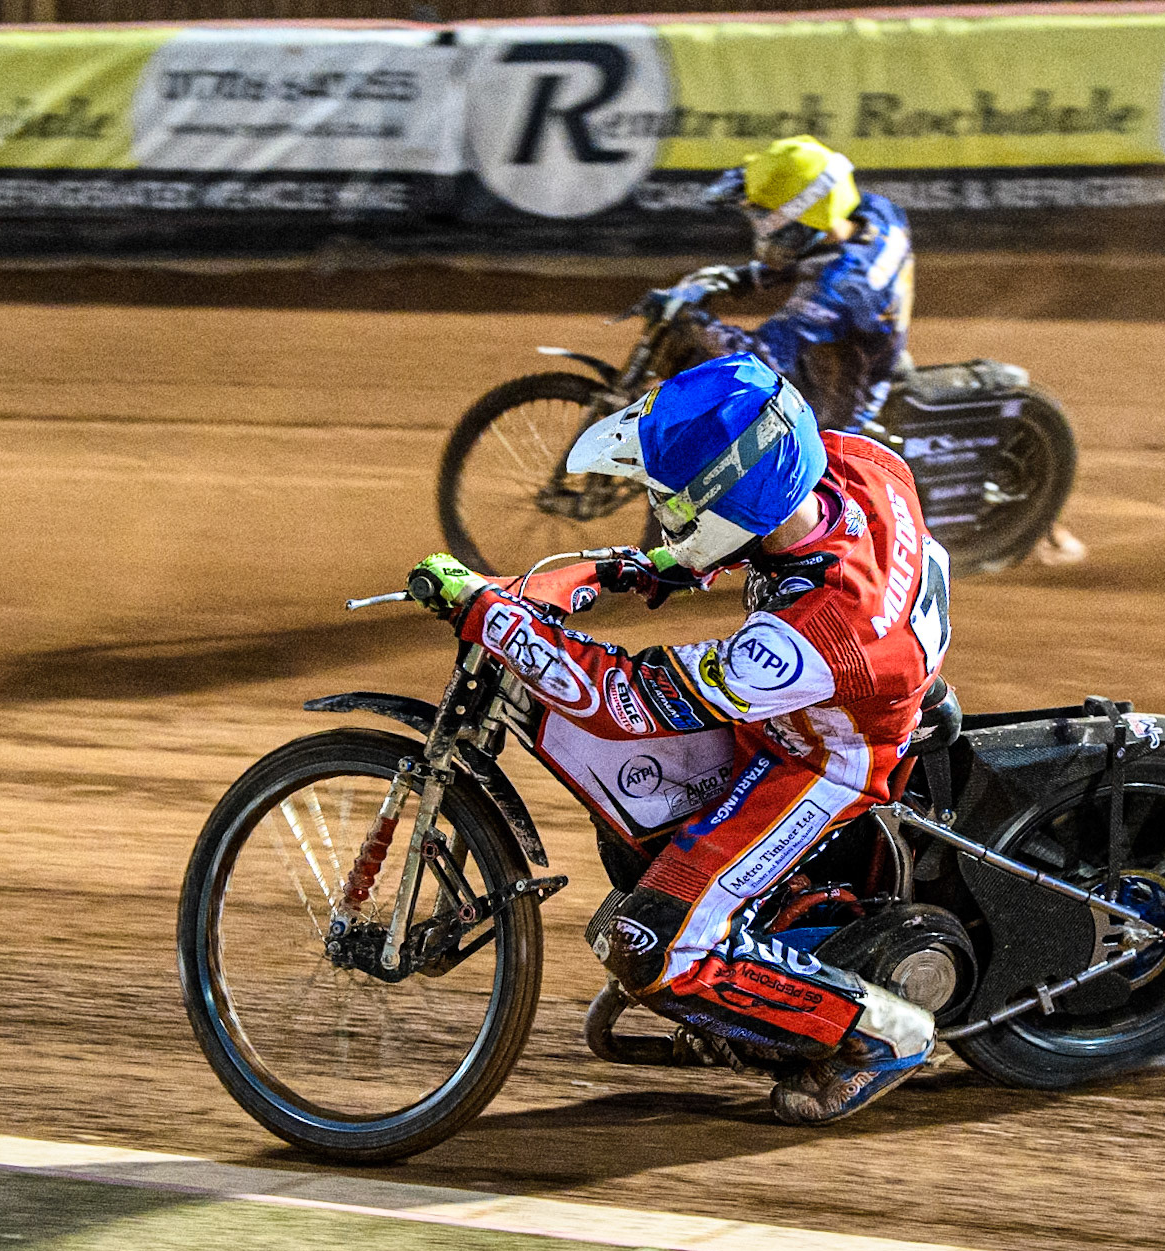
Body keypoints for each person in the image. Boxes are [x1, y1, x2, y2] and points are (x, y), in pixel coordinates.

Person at [407, 351, 952, 1125]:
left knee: (648, 945)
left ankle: (883, 1033)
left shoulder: (800, 643)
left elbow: (624, 700)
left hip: (822, 757)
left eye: (667, 499)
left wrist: (494, 618)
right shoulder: (855, 461)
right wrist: (652, 567)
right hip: (848, 684)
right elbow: (775, 540)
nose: (657, 508)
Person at [643, 133, 1087, 565]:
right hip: (861, 343)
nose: (759, 228)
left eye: (767, 217)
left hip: (843, 395)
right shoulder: (875, 214)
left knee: (750, 430)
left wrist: (692, 320)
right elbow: (814, 252)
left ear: (805, 215)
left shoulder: (843, 288)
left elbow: (760, 354)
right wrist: (746, 277)